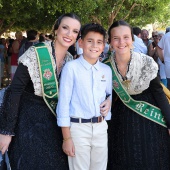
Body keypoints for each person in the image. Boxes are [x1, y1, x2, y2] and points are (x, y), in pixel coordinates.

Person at [0, 13, 81, 170]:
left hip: (55, 127)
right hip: (28, 124)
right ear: (56, 29)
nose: (69, 34)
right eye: (65, 28)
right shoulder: (36, 52)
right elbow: (15, 91)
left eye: (75, 31)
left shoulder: (71, 60)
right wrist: (6, 131)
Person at [104, 20, 170, 170]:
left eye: (126, 37)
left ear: (133, 40)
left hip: (149, 119)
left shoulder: (146, 63)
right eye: (116, 38)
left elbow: (158, 92)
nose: (121, 42)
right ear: (110, 42)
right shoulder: (104, 66)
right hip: (120, 118)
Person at [57, 23, 112, 170]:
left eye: (99, 42)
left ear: (104, 45)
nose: (94, 45)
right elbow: (63, 104)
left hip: (100, 128)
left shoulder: (106, 70)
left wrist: (109, 102)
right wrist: (67, 138)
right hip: (78, 129)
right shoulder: (71, 68)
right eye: (90, 41)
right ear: (80, 42)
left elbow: (108, 95)